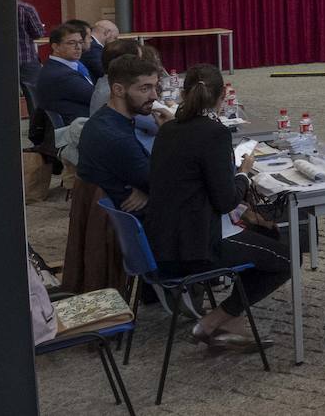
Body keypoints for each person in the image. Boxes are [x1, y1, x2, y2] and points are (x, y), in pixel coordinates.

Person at [147, 64, 291, 351]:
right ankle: (215, 320)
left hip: (162, 239)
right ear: (222, 98)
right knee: (286, 259)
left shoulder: (167, 130)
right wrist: (242, 174)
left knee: (262, 235)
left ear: (184, 93)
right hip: (195, 247)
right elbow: (225, 201)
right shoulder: (215, 134)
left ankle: (231, 325)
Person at [76, 54, 165, 211]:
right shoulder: (116, 137)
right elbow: (165, 186)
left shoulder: (105, 118)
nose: (154, 96)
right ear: (118, 90)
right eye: (145, 88)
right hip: (141, 221)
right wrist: (170, 135)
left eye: (155, 87)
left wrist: (147, 191)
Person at [36, 24, 97, 124]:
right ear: (56, 47)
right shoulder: (62, 75)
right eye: (71, 43)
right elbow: (96, 98)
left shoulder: (58, 66)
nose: (78, 47)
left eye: (80, 42)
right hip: (76, 127)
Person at [17, 0, 45, 105]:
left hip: (1, 62)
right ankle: (36, 124)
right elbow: (38, 33)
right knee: (34, 97)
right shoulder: (26, 9)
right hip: (26, 58)